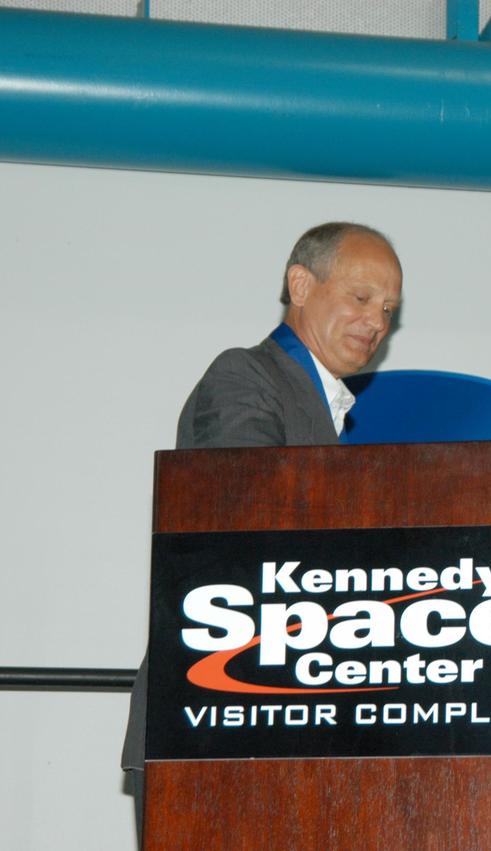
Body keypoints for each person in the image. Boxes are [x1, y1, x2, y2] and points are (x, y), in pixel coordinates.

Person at [120, 222, 403, 842]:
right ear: (300, 284)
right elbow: (248, 523)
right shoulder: (245, 375)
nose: (376, 321)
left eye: (388, 309)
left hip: (283, 715)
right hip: (217, 716)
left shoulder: (331, 412)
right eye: (360, 297)